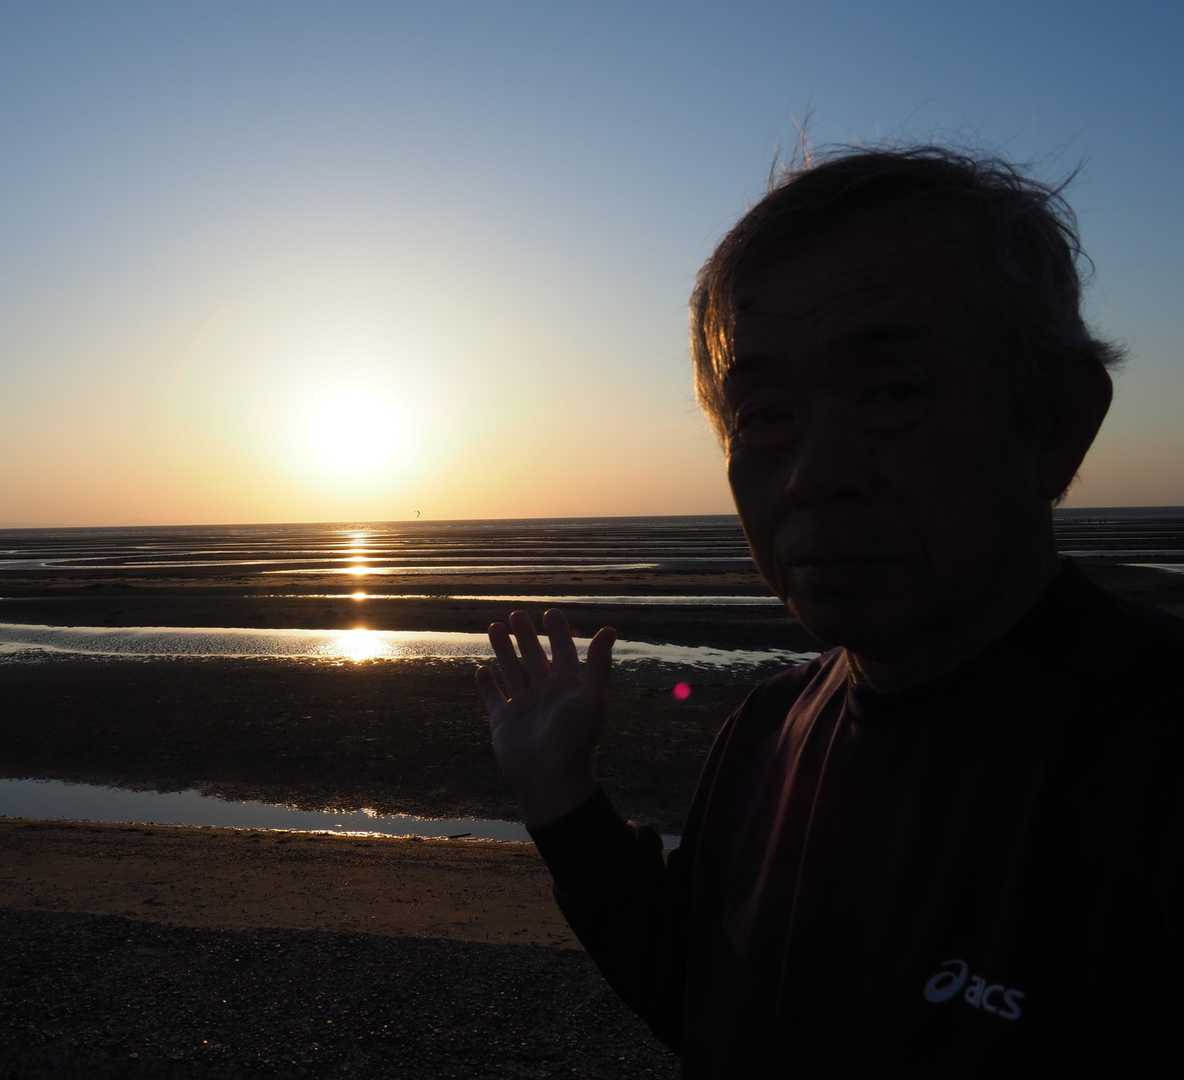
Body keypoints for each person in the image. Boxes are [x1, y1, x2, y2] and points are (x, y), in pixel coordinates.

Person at [476, 146, 1183, 1073]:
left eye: (891, 393)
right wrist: (560, 797)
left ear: (1059, 422)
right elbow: (697, 992)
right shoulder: (767, 732)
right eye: (763, 415)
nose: (814, 476)